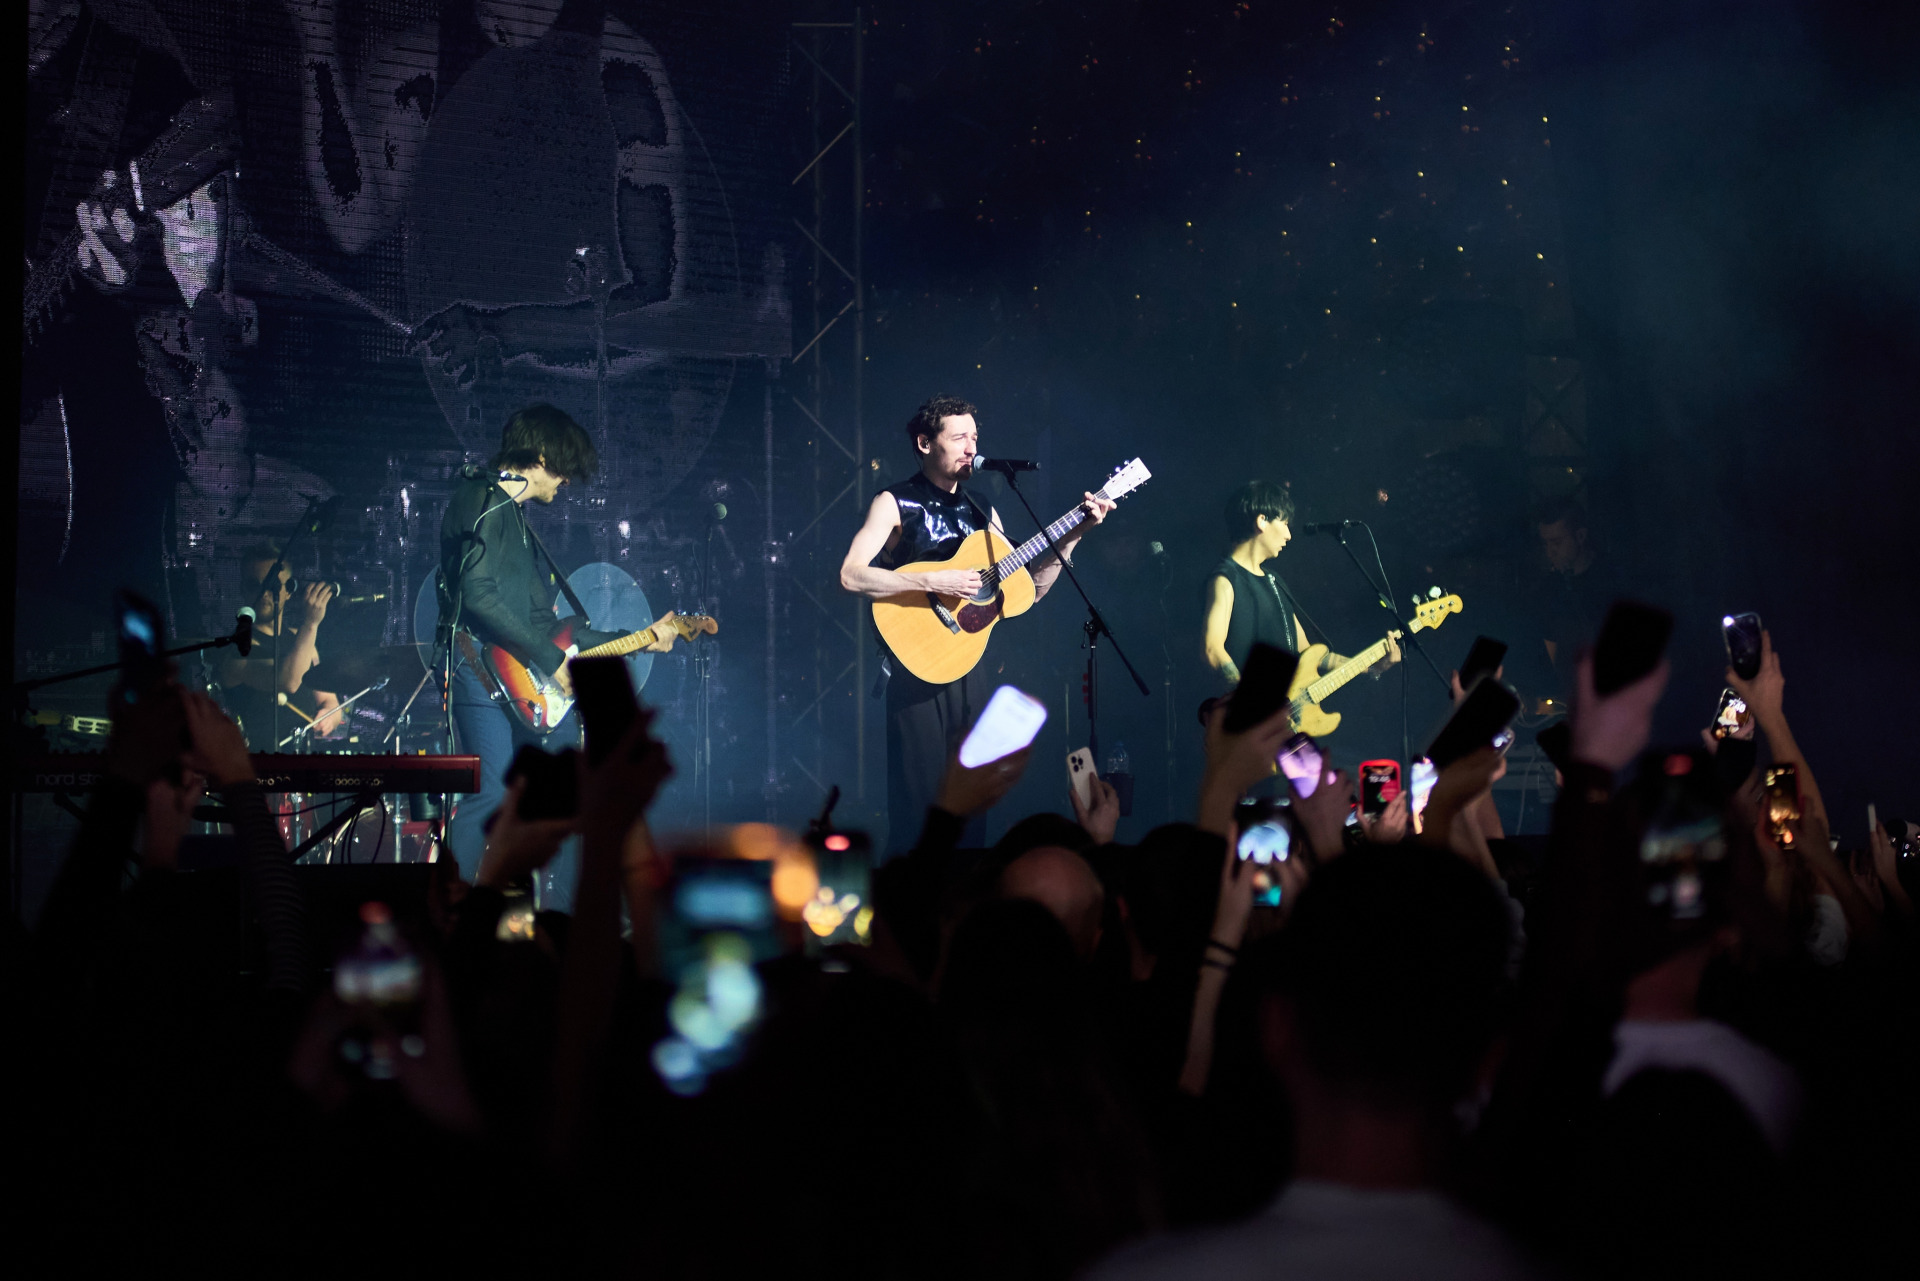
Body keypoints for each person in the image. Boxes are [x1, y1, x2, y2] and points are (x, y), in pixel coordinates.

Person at [839, 394, 1114, 852]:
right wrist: (933, 578)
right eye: (959, 437)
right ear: (925, 443)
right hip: (916, 667)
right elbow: (851, 575)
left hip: (971, 667)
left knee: (972, 807)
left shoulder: (982, 508)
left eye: (975, 438)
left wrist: (1074, 535)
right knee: (921, 808)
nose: (972, 448)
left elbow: (1027, 590)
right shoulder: (894, 502)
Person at [436, 403, 678, 898]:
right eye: (565, 468)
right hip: (477, 666)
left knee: (567, 792)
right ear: (542, 456)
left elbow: (547, 625)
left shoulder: (517, 521)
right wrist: (550, 662)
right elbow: (477, 595)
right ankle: (455, 911)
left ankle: (558, 915)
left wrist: (643, 637)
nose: (567, 481)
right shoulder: (480, 498)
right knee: (489, 795)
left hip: (519, 674)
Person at [1202, 479, 1398, 689]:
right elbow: (1212, 649)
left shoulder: (1274, 581)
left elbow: (1308, 654)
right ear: (1262, 521)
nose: (1288, 535)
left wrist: (1373, 667)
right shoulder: (1226, 579)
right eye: (1285, 523)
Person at [217, 544, 342, 748]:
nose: (264, 592)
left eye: (272, 585)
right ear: (243, 590)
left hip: (304, 759)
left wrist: (329, 715)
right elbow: (288, 682)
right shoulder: (238, 650)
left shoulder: (302, 640)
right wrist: (310, 624)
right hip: (260, 762)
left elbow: (329, 701)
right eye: (254, 585)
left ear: (289, 590)